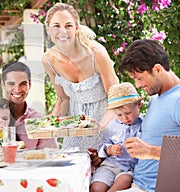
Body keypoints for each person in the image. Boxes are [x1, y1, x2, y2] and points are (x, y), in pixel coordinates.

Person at [42, 3, 119, 150]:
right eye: (56, 26)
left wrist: (99, 129)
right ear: (48, 29)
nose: (62, 31)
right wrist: (48, 124)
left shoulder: (97, 53)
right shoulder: (48, 59)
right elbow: (63, 99)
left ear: (76, 28)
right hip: (74, 132)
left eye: (68, 25)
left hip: (105, 128)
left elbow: (116, 99)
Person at [116, 39, 180, 192]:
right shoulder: (155, 98)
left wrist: (151, 151)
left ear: (157, 69)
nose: (138, 85)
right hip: (137, 183)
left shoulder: (178, 99)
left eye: (139, 78)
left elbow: (150, 149)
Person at [0, 61, 58, 152]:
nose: (17, 90)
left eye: (23, 84)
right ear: (3, 84)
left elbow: (50, 154)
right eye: (11, 84)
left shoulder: (39, 120)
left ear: (29, 85)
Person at [90, 82, 143, 192]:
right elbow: (102, 146)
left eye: (128, 113)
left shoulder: (145, 124)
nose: (125, 118)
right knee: (96, 187)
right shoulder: (112, 125)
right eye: (119, 115)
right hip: (110, 165)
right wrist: (109, 149)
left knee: (125, 181)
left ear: (139, 105)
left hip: (129, 168)